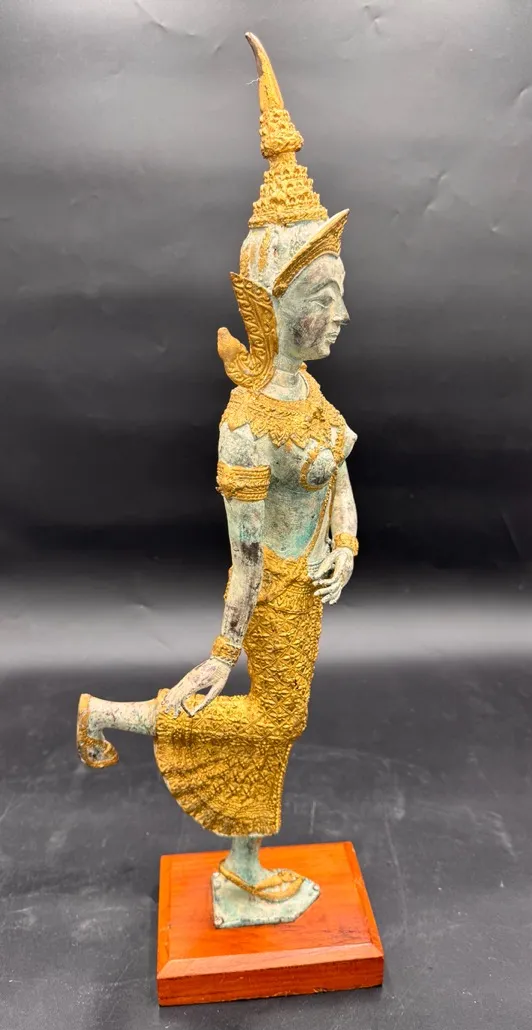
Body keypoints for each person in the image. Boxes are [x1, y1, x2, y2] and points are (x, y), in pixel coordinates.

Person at [77, 33, 359, 926]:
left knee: (281, 722)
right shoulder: (246, 425)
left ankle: (242, 871)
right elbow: (242, 559)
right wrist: (221, 652)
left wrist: (347, 542)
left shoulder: (311, 397)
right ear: (275, 305)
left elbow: (339, 471)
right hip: (273, 596)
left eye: (341, 293)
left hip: (310, 588)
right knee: (275, 720)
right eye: (324, 299)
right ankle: (119, 715)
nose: (342, 314)